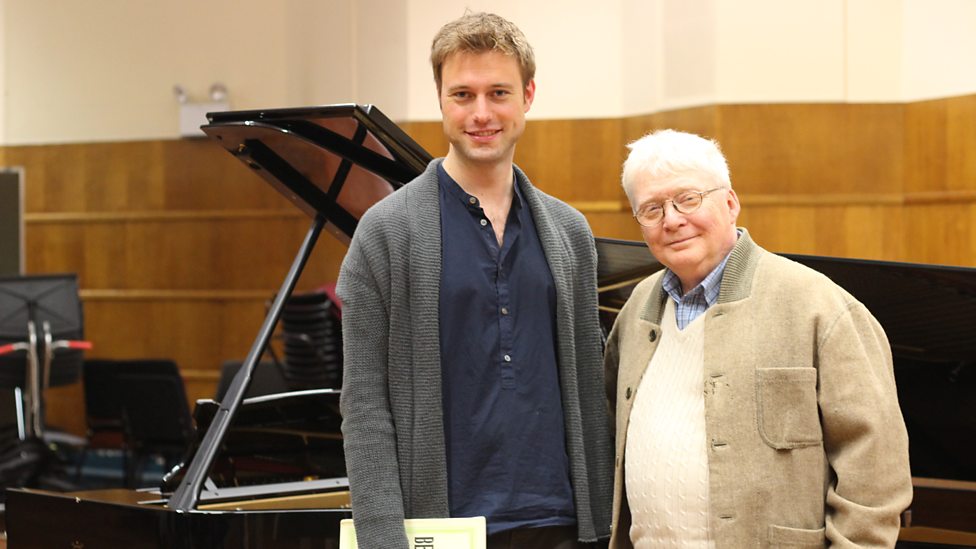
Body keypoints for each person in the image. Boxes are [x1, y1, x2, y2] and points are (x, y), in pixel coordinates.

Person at [337, 12, 613, 549]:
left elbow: (589, 389)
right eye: (463, 94)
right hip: (441, 529)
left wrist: (600, 526)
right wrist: (383, 541)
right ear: (440, 98)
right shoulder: (386, 232)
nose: (481, 113)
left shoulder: (569, 231)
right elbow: (364, 406)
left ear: (528, 96)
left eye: (498, 93)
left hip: (561, 523)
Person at [603, 129, 912, 548]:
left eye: (688, 199)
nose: (672, 219)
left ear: (730, 203)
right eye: (652, 209)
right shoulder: (637, 307)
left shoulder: (820, 306)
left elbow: (875, 472)